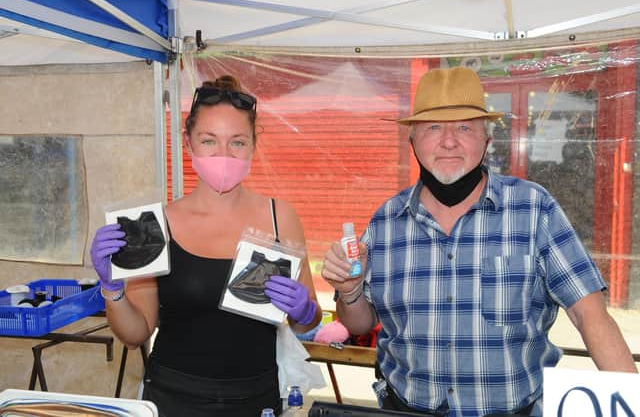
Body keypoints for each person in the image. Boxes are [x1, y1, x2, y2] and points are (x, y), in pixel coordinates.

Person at [321, 66, 637, 417]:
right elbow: (359, 325)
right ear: (413, 142)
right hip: (406, 408)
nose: (449, 141)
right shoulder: (385, 221)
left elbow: (589, 315)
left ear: (487, 141)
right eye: (433, 128)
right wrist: (349, 290)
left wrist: (630, 402)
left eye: (464, 128)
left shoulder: (534, 209)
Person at [90, 75, 321, 417]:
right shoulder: (158, 225)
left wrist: (304, 311)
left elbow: (307, 321)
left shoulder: (279, 218)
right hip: (172, 400)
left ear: (254, 144)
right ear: (188, 142)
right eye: (209, 141)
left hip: (256, 401)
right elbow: (137, 331)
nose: (224, 154)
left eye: (237, 142)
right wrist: (112, 289)